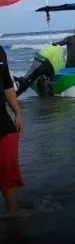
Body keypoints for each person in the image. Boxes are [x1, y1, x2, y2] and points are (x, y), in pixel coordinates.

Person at [0, 45, 24, 214]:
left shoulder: (0, 51)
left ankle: (13, 219)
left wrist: (17, 112)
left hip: (3, 123)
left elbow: (7, 85)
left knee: (9, 174)